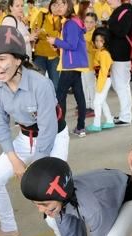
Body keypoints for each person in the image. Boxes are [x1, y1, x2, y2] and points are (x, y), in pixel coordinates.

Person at [0, 26, 69, 236]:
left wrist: (36, 168)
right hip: (25, 137)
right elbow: (0, 125)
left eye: (2, 58)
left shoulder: (40, 84)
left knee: (48, 194)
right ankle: (9, 227)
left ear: (18, 59)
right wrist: (15, 160)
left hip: (54, 138)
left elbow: (48, 130)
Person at [47, 0, 89, 137]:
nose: (59, 7)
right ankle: (80, 127)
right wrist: (58, 44)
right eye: (56, 5)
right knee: (79, 95)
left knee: (60, 96)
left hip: (70, 65)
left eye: (62, 4)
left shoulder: (70, 23)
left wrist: (55, 41)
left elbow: (71, 45)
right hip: (74, 64)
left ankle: (60, 128)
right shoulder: (71, 21)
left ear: (69, 6)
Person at [107, 0, 132, 126]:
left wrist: (109, 22)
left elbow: (121, 31)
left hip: (121, 55)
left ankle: (126, 116)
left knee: (121, 85)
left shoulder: (126, 12)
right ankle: (125, 114)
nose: (108, 1)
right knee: (120, 85)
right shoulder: (121, 11)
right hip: (117, 54)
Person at [86, 27, 116, 132]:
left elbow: (104, 71)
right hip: (101, 79)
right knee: (102, 102)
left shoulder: (104, 54)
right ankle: (109, 120)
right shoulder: (99, 51)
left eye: (101, 41)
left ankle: (97, 124)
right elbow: (91, 49)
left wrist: (99, 85)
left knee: (97, 102)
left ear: (106, 41)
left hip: (104, 79)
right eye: (97, 40)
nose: (98, 43)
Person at [32, 0, 62, 91]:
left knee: (55, 84)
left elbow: (60, 37)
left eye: (59, 5)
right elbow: (35, 31)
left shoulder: (63, 20)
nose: (56, 8)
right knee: (37, 83)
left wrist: (45, 32)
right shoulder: (42, 15)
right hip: (40, 54)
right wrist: (51, 35)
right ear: (50, 6)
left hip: (54, 55)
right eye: (54, 5)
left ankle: (54, 104)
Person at [81, 12, 98, 117]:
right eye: (86, 22)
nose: (88, 24)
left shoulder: (96, 34)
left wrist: (85, 44)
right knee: (84, 85)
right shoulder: (83, 32)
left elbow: (94, 50)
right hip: (82, 63)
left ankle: (94, 106)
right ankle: (87, 105)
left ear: (95, 23)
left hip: (91, 64)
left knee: (91, 86)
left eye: (91, 22)